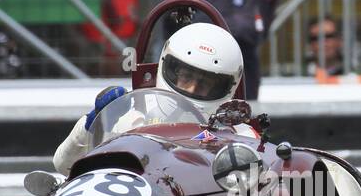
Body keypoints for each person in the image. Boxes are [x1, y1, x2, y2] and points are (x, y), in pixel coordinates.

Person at [53, 22, 246, 176]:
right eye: (186, 76)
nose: (192, 88)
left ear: (227, 86)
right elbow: (64, 166)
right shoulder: (131, 118)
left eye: (204, 84)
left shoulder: (240, 137)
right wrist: (93, 122)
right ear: (167, 65)